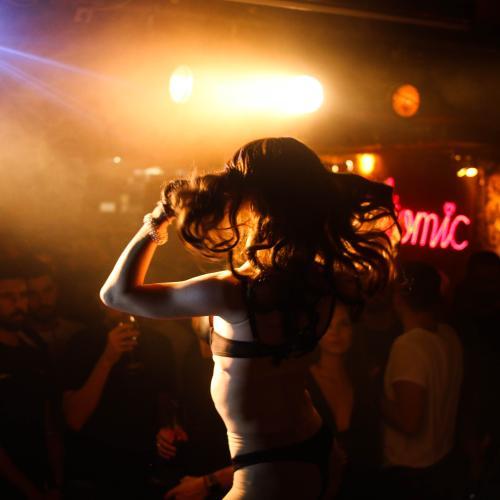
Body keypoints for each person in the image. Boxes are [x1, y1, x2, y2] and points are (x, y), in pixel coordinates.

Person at [100, 137, 399, 499]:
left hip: (267, 472)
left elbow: (115, 295)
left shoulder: (233, 293)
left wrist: (158, 218)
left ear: (255, 201)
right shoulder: (322, 278)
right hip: (318, 450)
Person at [61, 303, 180, 499]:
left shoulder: (158, 342)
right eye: (117, 299)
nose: (125, 306)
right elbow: (74, 418)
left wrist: (168, 426)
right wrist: (108, 358)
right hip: (95, 470)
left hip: (144, 470)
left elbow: (167, 399)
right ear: (102, 301)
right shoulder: (82, 342)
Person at [381, 261, 463, 500]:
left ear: (398, 297)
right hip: (441, 462)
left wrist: (370, 393)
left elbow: (409, 422)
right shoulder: (449, 336)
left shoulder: (409, 346)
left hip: (410, 473)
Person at [0, 260, 63, 500]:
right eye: (8, 297)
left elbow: (49, 423)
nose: (20, 304)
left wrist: (56, 483)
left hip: (42, 479)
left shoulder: (34, 349)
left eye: (23, 295)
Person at [25, 258, 83, 363]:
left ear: (57, 290)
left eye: (47, 290)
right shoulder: (18, 340)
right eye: (33, 294)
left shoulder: (79, 332)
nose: (42, 300)